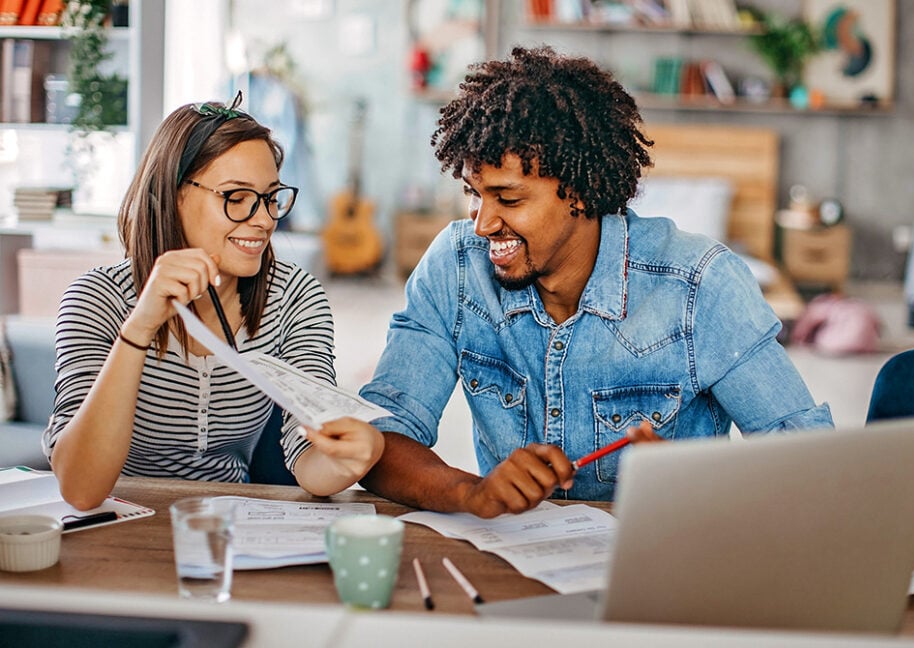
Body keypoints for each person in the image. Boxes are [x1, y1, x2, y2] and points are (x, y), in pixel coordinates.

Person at [358, 46, 833, 518]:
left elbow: (810, 465)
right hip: (514, 564)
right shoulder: (456, 267)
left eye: (508, 198)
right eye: (474, 194)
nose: (482, 224)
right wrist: (471, 493)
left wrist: (699, 483)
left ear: (580, 193)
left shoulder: (700, 286)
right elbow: (378, 438)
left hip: (664, 562)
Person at [44, 94, 383, 510]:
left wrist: (347, 461)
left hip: (230, 520)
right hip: (118, 518)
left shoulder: (294, 297)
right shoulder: (96, 299)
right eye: (236, 198)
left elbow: (308, 458)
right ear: (172, 195)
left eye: (271, 197)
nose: (263, 220)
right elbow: (81, 489)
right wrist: (138, 329)